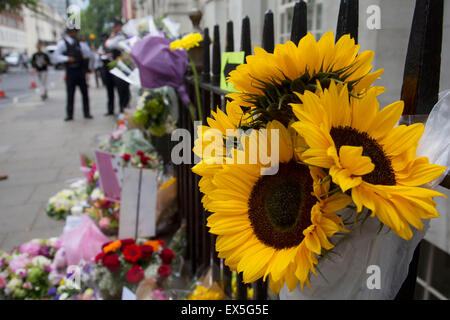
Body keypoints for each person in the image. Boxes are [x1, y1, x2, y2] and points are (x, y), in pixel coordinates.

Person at [54, 27, 93, 121]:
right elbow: (56, 56)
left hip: (80, 70)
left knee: (84, 93)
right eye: (72, 32)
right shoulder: (63, 43)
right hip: (70, 71)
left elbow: (88, 53)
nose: (74, 33)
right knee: (70, 94)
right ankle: (69, 114)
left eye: (75, 32)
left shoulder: (80, 43)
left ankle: (86, 112)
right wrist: (67, 59)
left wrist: (85, 46)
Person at [105, 18, 130, 114]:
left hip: (122, 67)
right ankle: (123, 110)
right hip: (120, 67)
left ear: (119, 27)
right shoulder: (120, 36)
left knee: (122, 90)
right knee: (120, 90)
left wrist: (111, 37)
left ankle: (123, 110)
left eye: (114, 26)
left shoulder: (120, 37)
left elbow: (109, 44)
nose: (113, 28)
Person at [98, 34, 116, 116]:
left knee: (120, 90)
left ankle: (123, 108)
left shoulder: (113, 45)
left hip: (115, 69)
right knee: (109, 91)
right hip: (107, 69)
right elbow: (100, 53)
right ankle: (110, 109)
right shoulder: (102, 47)